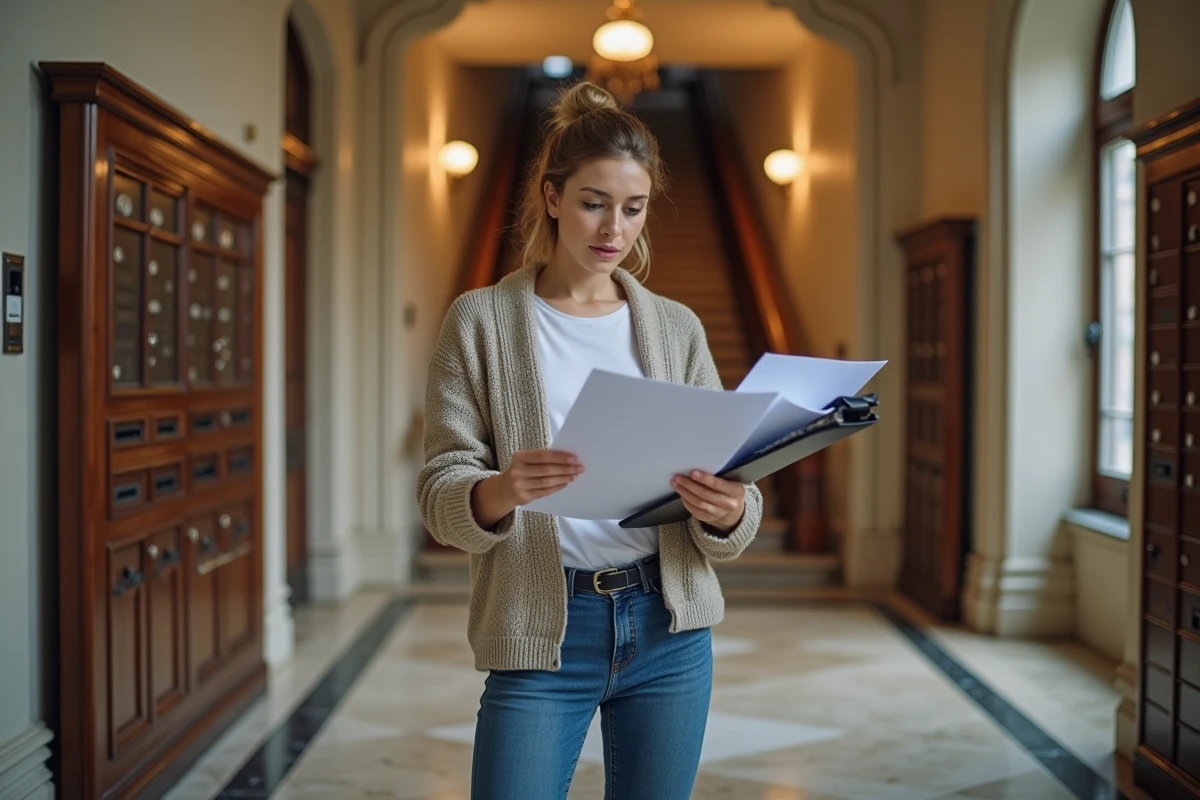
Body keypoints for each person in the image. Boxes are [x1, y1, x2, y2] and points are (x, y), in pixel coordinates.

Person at [416, 81, 763, 800]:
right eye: (593, 202)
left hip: (668, 630)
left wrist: (729, 510)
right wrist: (501, 489)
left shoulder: (676, 328)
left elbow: (733, 480)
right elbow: (439, 487)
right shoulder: (480, 321)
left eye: (633, 208)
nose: (614, 228)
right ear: (551, 197)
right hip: (542, 630)